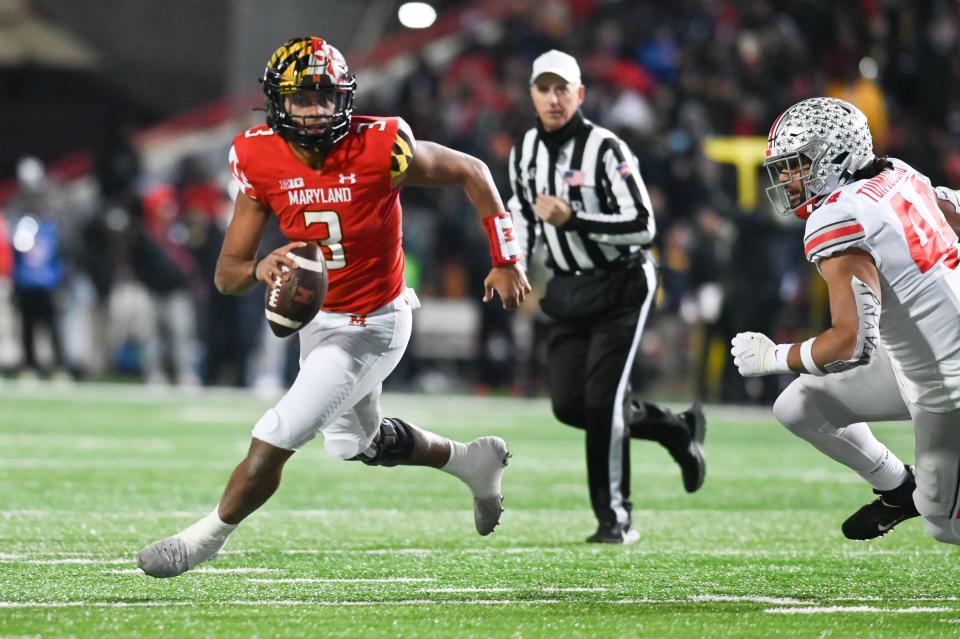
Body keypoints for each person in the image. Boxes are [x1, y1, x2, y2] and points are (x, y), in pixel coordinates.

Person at [137, 37, 531, 577]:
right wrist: (261, 268)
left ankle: (202, 541)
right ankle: (470, 462)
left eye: (326, 96)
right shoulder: (258, 157)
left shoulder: (381, 146)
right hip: (319, 320)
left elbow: (472, 170)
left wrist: (506, 256)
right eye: (303, 98)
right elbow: (227, 275)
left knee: (276, 436)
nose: (316, 110)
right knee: (354, 444)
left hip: (376, 322)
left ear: (344, 98)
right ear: (278, 102)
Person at [731, 97, 960, 545]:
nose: (784, 178)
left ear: (833, 156)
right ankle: (899, 490)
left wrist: (775, 356)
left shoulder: (837, 216)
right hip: (916, 361)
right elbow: (951, 208)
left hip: (947, 382)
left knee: (944, 524)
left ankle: (929, 502)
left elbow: (852, 344)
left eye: (795, 164)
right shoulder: (898, 172)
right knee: (797, 407)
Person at [507, 50, 706, 545]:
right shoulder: (524, 150)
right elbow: (523, 217)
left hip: (622, 283)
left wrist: (574, 219)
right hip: (570, 287)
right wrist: (512, 264)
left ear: (580, 94)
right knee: (570, 405)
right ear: (531, 94)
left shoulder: (607, 147)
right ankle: (674, 428)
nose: (553, 99)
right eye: (544, 89)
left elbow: (643, 226)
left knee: (602, 403)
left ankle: (615, 518)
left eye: (562, 89)